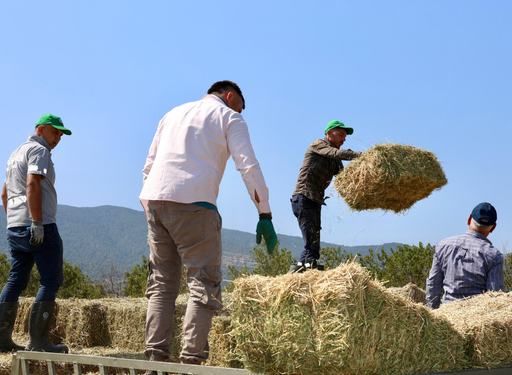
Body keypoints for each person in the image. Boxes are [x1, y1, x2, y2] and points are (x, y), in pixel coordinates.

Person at [139, 80, 277, 366]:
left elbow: (149, 166)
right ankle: (190, 362)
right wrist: (264, 212)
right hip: (195, 204)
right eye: (240, 106)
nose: (241, 112)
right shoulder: (229, 116)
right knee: (203, 283)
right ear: (229, 97)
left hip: (154, 200)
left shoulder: (172, 113)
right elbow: (248, 165)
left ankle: (154, 361)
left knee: (162, 284)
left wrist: (150, 206)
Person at [0, 114, 71, 353]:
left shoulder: (15, 152)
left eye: (61, 134)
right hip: (38, 224)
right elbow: (32, 183)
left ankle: (1, 340)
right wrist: (37, 222)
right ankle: (38, 342)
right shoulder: (39, 151)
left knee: (16, 280)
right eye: (55, 132)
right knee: (50, 280)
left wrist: (14, 220)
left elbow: (4, 193)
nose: (58, 137)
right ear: (40, 130)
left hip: (15, 226)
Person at [289, 120, 362, 273]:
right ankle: (305, 276)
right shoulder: (318, 145)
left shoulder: (336, 162)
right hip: (303, 198)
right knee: (311, 247)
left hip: (315, 201)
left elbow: (345, 179)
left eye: (345, 136)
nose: (344, 139)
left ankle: (296, 277)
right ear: (329, 134)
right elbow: (336, 153)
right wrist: (362, 156)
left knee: (313, 246)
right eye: (341, 135)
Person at [425, 202, 504, 309]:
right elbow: (495, 295)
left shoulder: (443, 245)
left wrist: (433, 313)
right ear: (493, 228)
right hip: (477, 318)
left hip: (446, 314)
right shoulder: (494, 255)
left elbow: (433, 284)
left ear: (469, 219)